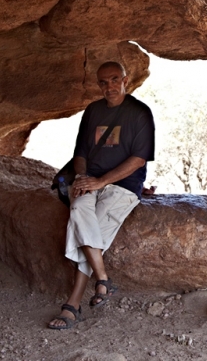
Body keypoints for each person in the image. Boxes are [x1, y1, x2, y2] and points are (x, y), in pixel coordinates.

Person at [47, 61, 155, 330]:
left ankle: (72, 305)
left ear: (126, 80)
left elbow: (139, 159)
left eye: (114, 79)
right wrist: (84, 179)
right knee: (78, 211)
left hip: (122, 184)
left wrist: (101, 181)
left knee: (89, 226)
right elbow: (80, 154)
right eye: (103, 82)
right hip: (90, 179)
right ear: (98, 85)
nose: (109, 86)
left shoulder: (140, 113)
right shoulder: (93, 111)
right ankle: (102, 278)